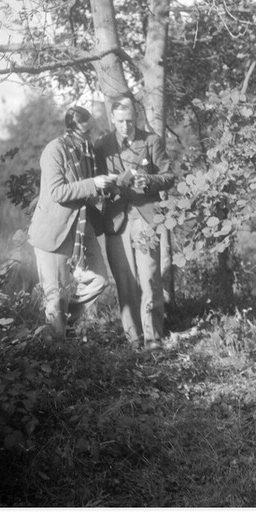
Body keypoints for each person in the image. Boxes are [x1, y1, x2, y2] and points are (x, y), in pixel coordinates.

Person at [27, 106, 117, 339]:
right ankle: (56, 351)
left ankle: (64, 324)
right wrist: (93, 183)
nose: (89, 137)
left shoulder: (87, 150)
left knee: (98, 280)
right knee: (55, 296)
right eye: (85, 132)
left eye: (90, 131)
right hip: (53, 231)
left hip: (80, 225)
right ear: (71, 127)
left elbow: (88, 187)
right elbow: (57, 192)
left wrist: (105, 186)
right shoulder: (54, 150)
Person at [94, 97, 175, 351]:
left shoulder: (151, 141)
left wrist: (148, 181)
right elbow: (94, 183)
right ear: (112, 120)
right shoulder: (103, 145)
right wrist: (105, 185)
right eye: (120, 122)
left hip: (146, 218)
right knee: (124, 280)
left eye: (130, 121)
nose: (125, 126)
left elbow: (169, 175)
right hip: (116, 220)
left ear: (136, 119)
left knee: (150, 277)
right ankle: (134, 339)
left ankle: (153, 338)